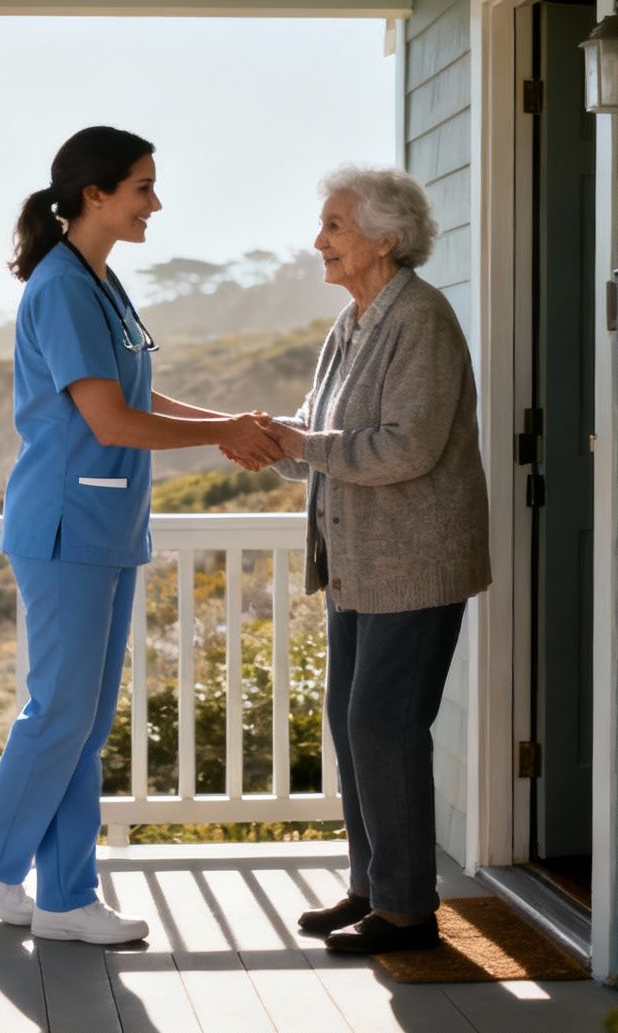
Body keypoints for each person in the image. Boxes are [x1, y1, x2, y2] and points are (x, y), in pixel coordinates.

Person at [0, 126, 282, 945]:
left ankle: (66, 898)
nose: (155, 203)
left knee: (82, 720)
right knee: (60, 709)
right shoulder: (63, 286)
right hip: (65, 525)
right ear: (96, 193)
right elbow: (109, 419)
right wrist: (224, 436)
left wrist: (232, 424)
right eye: (143, 187)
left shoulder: (102, 283)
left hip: (105, 525)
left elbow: (143, 393)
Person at [258, 166, 491, 954]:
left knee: (383, 725)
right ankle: (371, 886)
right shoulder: (353, 322)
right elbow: (327, 438)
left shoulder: (421, 319)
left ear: (385, 239)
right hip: (357, 564)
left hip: (413, 564)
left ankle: (407, 912)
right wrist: (273, 445)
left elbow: (407, 448)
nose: (319, 241)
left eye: (335, 227)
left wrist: (302, 444)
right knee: (353, 723)